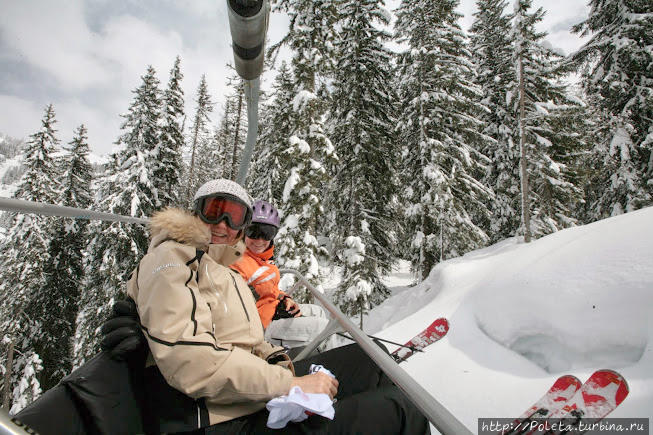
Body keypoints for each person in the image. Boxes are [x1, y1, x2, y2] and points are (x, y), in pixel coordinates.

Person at [103, 178, 430, 434]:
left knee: (371, 359)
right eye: (213, 210)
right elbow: (193, 361)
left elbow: (250, 339)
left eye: (235, 218)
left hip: (246, 391)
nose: (222, 224)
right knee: (402, 409)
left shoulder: (221, 268)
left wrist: (281, 365)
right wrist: (290, 383)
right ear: (194, 212)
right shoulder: (174, 257)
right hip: (218, 417)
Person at [231, 199, 330, 350]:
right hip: (260, 327)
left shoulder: (262, 260)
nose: (260, 240)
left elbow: (270, 290)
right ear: (243, 231)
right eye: (253, 232)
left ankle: (313, 356)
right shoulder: (238, 261)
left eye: (267, 233)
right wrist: (275, 311)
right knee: (322, 327)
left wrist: (284, 298)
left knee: (318, 311)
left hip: (272, 313)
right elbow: (238, 303)